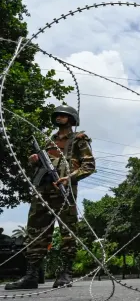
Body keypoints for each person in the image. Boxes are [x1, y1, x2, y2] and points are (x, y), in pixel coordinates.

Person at [5, 105, 95, 290]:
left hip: (64, 191)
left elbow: (89, 166)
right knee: (36, 231)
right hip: (43, 190)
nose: (59, 118)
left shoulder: (78, 140)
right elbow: (42, 166)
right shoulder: (48, 142)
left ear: (71, 119)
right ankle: (31, 275)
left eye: (63, 115)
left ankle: (65, 274)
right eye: (57, 115)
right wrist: (35, 161)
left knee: (67, 233)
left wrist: (69, 177)